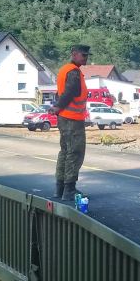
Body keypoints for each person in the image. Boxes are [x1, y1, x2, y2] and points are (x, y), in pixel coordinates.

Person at [49, 45, 89, 201]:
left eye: (87, 56)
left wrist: (58, 108)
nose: (86, 58)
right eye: (83, 55)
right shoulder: (73, 72)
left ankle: (60, 189)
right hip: (72, 120)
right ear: (74, 55)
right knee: (75, 153)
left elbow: (64, 92)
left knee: (65, 152)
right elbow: (70, 91)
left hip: (65, 118)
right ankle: (69, 190)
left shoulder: (64, 69)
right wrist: (58, 107)